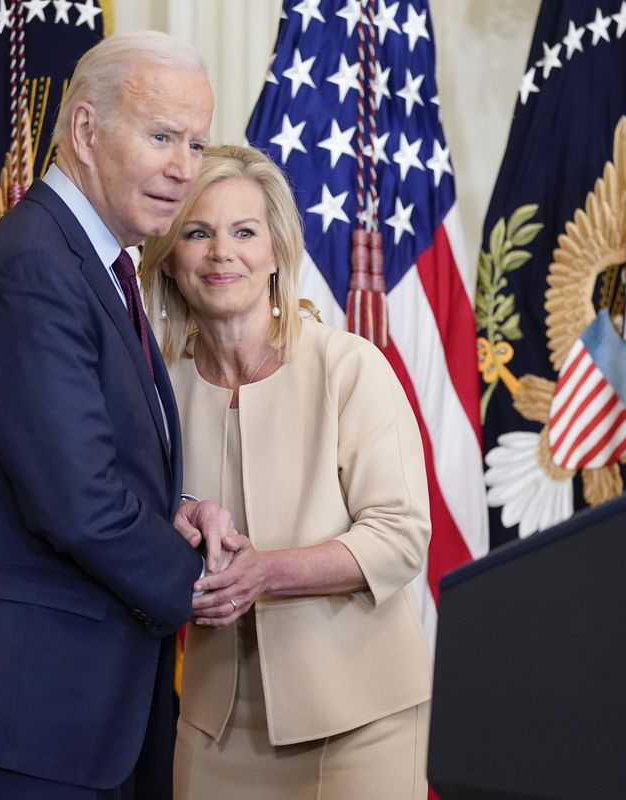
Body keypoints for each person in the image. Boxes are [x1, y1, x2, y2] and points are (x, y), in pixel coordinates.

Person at [0, 32, 236, 799]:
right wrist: (206, 584)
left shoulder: (93, 263)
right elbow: (79, 502)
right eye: (161, 136)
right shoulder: (34, 269)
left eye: (196, 142)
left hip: (74, 715)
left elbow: (98, 464)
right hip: (24, 718)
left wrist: (178, 513)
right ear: (85, 131)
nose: (185, 167)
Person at [139, 144, 433, 800]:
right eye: (197, 232)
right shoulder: (157, 391)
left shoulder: (349, 366)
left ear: (276, 252)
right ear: (170, 257)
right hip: (213, 726)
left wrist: (263, 572)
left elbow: (401, 536)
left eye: (244, 232)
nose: (222, 253)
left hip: (362, 717)